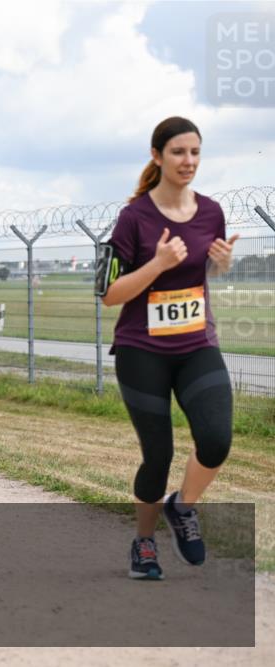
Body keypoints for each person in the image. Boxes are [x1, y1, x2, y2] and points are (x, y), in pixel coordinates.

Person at [100, 117, 237, 580]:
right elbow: (109, 295)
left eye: (196, 152)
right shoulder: (133, 217)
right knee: (157, 455)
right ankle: (144, 544)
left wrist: (221, 266)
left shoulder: (212, 211)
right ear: (157, 156)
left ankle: (184, 507)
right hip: (143, 351)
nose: (189, 161)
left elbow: (203, 278)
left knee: (216, 439)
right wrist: (156, 265)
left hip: (197, 344)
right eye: (179, 152)